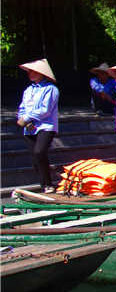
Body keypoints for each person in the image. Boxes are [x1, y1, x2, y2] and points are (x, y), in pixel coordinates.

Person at [17, 59, 59, 193]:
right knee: (35, 156)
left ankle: (48, 183)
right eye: (30, 71)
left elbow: (45, 109)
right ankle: (43, 184)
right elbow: (22, 107)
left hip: (46, 126)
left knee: (39, 151)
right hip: (29, 127)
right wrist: (22, 118)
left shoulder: (51, 89)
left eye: (34, 71)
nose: (31, 74)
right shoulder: (28, 90)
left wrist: (27, 118)